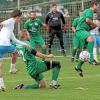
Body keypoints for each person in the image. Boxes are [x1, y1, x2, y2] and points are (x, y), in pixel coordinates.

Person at [0, 9, 30, 91]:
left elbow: (14, 39)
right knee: (15, 52)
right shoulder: (10, 21)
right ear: (17, 17)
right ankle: (12, 68)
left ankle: (1, 85)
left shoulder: (11, 26)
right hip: (5, 45)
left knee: (1, 66)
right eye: (20, 17)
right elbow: (2, 23)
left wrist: (25, 44)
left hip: (0, 46)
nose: (21, 19)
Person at [74, 0, 99, 77]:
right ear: (94, 5)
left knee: (85, 53)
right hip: (80, 30)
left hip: (82, 31)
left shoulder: (87, 11)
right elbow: (87, 20)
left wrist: (95, 26)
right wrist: (95, 24)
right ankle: (92, 60)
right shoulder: (90, 10)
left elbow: (88, 25)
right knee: (91, 39)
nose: (98, 7)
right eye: (98, 6)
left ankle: (78, 67)